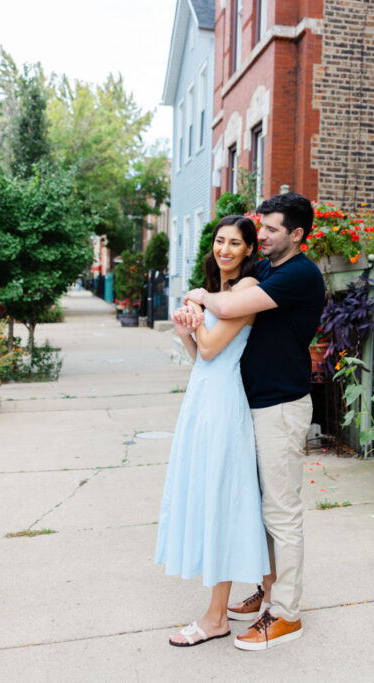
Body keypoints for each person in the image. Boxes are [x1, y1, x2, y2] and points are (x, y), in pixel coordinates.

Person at [184, 192, 325, 651]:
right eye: (259, 227)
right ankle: (268, 593)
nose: (260, 235)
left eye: (271, 230)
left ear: (298, 235)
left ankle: (286, 615)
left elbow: (226, 307)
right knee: (259, 510)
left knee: (281, 513)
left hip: (280, 406)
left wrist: (200, 296)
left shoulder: (301, 274)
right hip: (252, 403)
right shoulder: (268, 268)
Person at [155, 215, 271, 647]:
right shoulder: (221, 293)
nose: (225, 249)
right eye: (220, 241)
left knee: (221, 500)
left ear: (248, 251)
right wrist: (184, 327)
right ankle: (227, 607)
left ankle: (216, 617)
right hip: (202, 397)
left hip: (223, 403)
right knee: (207, 495)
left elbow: (212, 346)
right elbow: (199, 355)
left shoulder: (244, 292)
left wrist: (197, 318)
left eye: (235, 243)